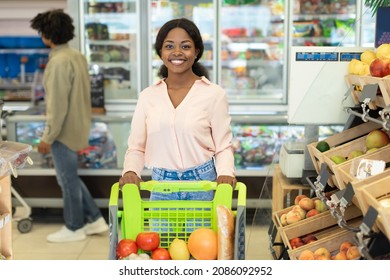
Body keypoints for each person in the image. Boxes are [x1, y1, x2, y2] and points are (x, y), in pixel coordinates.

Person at [119, 18, 236, 201]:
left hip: (202, 183)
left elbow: (223, 147)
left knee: (202, 232)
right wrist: (131, 171)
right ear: (160, 52)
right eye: (169, 46)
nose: (177, 52)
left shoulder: (214, 94)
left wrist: (226, 172)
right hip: (160, 185)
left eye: (185, 46)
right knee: (159, 232)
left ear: (196, 52)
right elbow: (136, 147)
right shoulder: (148, 96)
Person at [30, 9, 108, 243]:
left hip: (62, 131)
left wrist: (48, 137)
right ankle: (95, 219)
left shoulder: (58, 62)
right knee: (70, 177)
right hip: (78, 127)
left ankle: (74, 227)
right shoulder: (76, 56)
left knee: (66, 180)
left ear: (47, 34)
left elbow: (57, 105)